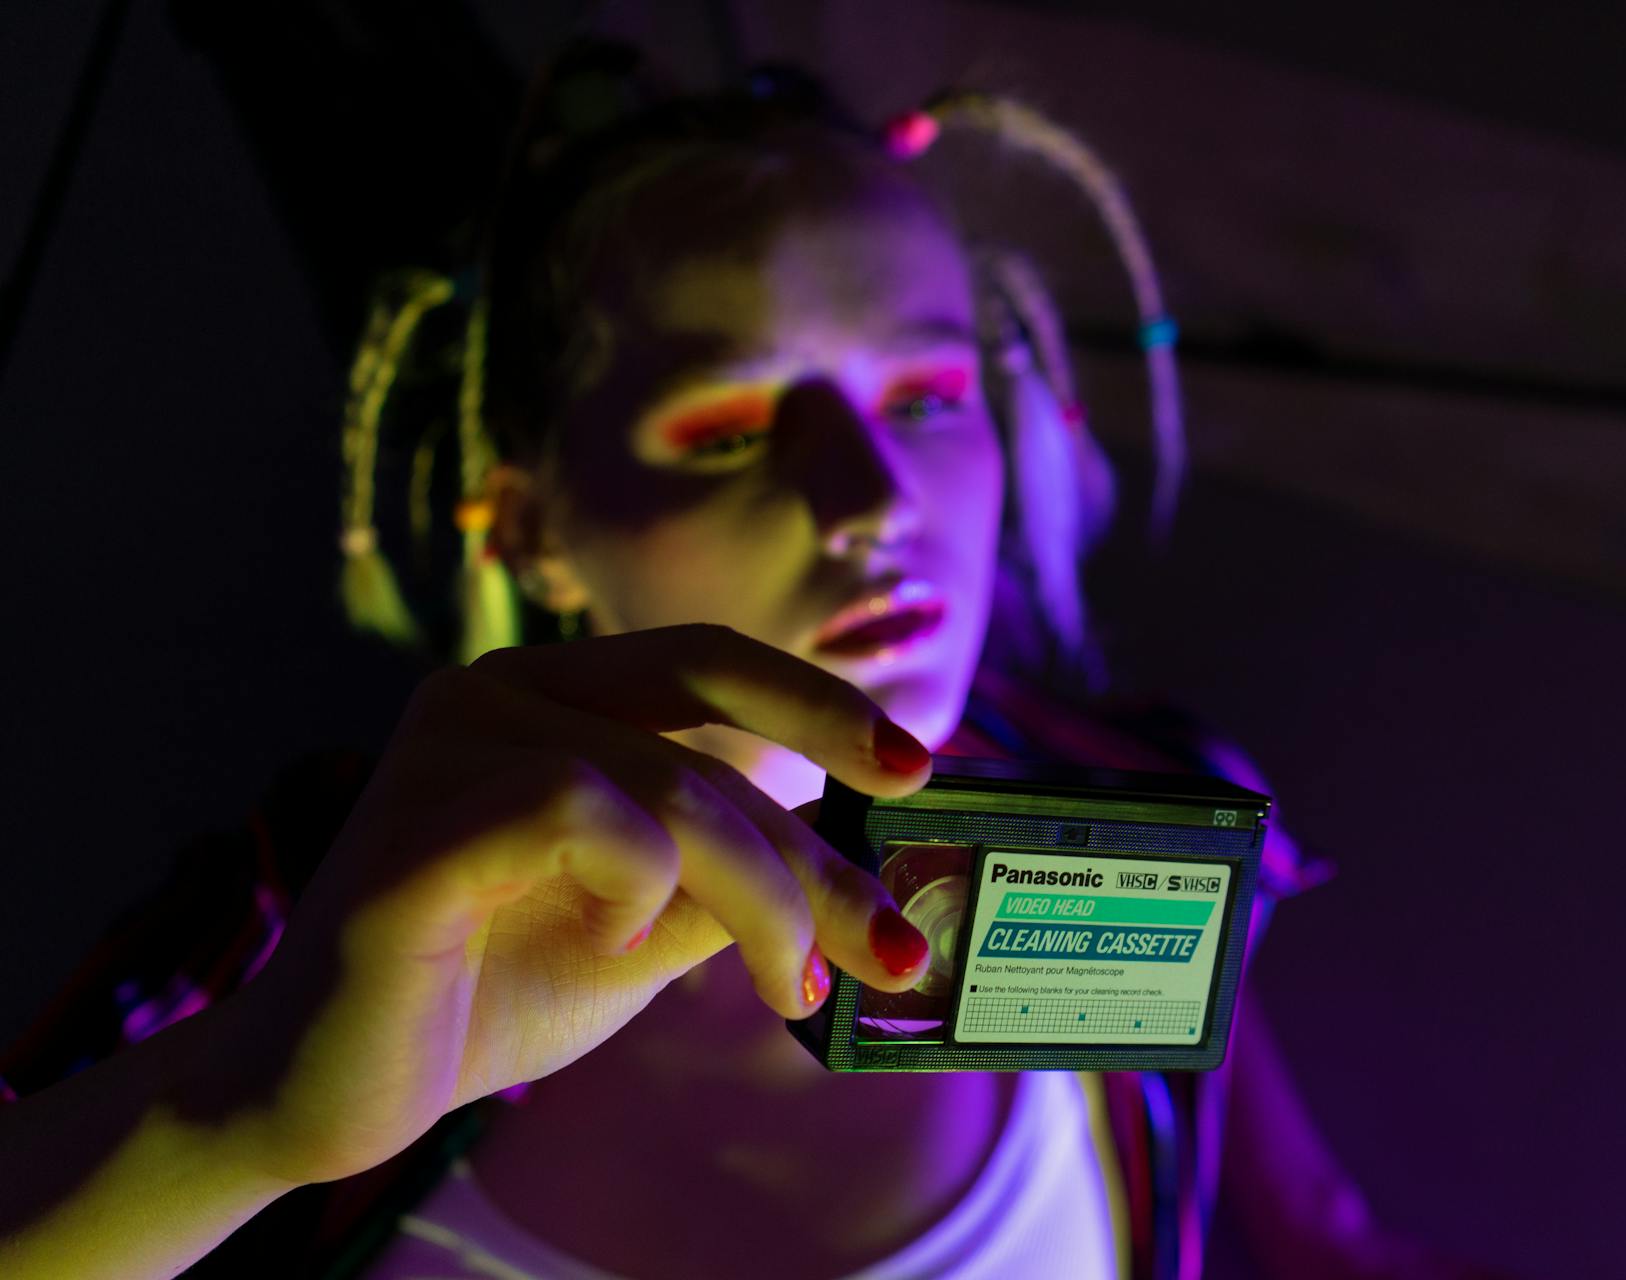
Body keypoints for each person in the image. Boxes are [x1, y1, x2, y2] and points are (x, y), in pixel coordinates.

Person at [0, 33, 1492, 1280]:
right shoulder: (311, 914)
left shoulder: (1132, 811)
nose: (869, 506)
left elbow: (1311, 1242)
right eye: (727, 432)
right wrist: (234, 1118)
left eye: (923, 400)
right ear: (532, 523)